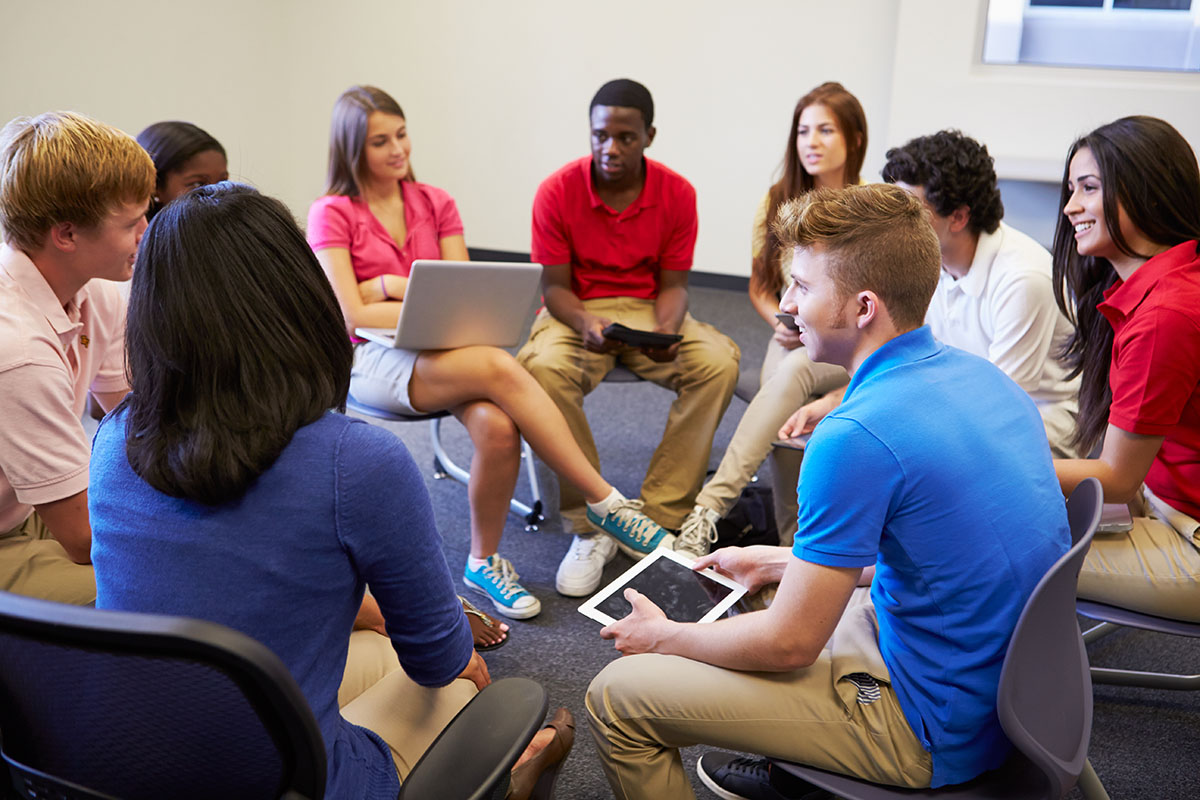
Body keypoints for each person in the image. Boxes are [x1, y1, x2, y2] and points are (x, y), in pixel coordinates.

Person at [89, 182, 574, 800]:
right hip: (296, 782)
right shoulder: (356, 460)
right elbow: (440, 658)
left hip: (127, 766)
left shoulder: (114, 437)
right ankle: (506, 780)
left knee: (369, 641)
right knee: (458, 680)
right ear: (298, 297)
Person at [585, 184, 1070, 800]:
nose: (786, 304)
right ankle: (798, 773)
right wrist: (774, 559)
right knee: (760, 591)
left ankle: (823, 762)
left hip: (930, 729)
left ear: (863, 307)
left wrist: (663, 639)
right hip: (1006, 695)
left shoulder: (851, 436)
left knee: (616, 698)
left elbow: (789, 645)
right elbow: (942, 553)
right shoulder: (982, 379)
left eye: (803, 287)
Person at [308, 85, 671, 614]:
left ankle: (482, 563)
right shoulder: (331, 212)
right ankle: (606, 500)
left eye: (402, 134)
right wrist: (400, 293)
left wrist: (388, 284)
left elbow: (463, 294)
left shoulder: (435, 202)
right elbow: (352, 316)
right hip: (372, 358)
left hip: (445, 348)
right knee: (501, 364)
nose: (397, 149)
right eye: (379, 141)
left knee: (499, 429)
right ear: (352, 149)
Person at [517, 78, 740, 589]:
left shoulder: (677, 193)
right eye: (600, 136)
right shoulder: (556, 191)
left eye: (625, 138)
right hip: (577, 311)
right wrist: (584, 323)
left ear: (649, 135)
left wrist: (664, 331)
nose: (610, 149)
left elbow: (674, 286)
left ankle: (658, 516)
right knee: (541, 370)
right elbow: (553, 288)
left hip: (647, 311)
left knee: (718, 362)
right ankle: (592, 519)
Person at [780, 131, 1083, 461]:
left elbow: (999, 405)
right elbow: (907, 361)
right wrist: (837, 401)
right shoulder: (929, 259)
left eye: (911, 209)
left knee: (880, 454)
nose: (895, 224)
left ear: (958, 217)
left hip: (1034, 427)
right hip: (959, 401)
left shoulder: (1023, 278)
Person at [675, 82, 863, 556]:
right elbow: (761, 286)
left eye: (825, 130)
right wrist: (781, 321)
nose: (811, 142)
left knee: (784, 382)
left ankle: (710, 509)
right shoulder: (778, 199)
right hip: (792, 336)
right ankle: (791, 545)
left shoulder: (870, 208)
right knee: (785, 412)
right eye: (803, 131)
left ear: (854, 139)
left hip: (849, 342)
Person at [0, 111, 154, 604]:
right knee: (160, 586)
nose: (146, 231)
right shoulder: (19, 350)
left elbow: (136, 420)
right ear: (66, 235)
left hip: (29, 508)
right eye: (131, 223)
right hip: (14, 532)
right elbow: (85, 538)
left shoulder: (96, 288)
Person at [1050, 116, 1200, 623]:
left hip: (1188, 535)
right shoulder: (1164, 288)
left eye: (1088, 189)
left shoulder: (1165, 315)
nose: (1070, 206)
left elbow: (1115, 478)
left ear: (1146, 191)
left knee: (987, 550)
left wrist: (991, 471)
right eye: (1071, 190)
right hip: (1162, 505)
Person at [136, 121, 229, 219]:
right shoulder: (138, 232)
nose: (216, 194)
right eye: (198, 184)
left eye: (222, 182)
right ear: (155, 186)